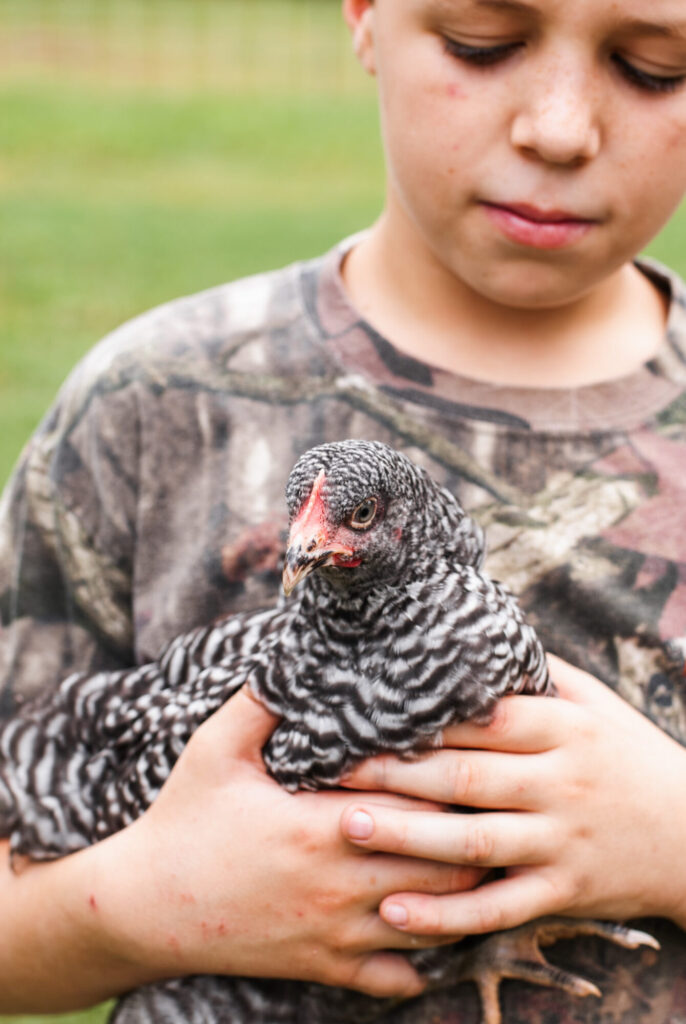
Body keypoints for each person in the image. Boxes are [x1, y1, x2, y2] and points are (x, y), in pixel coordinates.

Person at [2, 0, 686, 1020]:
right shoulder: (148, 405)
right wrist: (139, 904)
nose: (557, 127)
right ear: (363, 14)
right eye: (481, 45)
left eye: (650, 65)